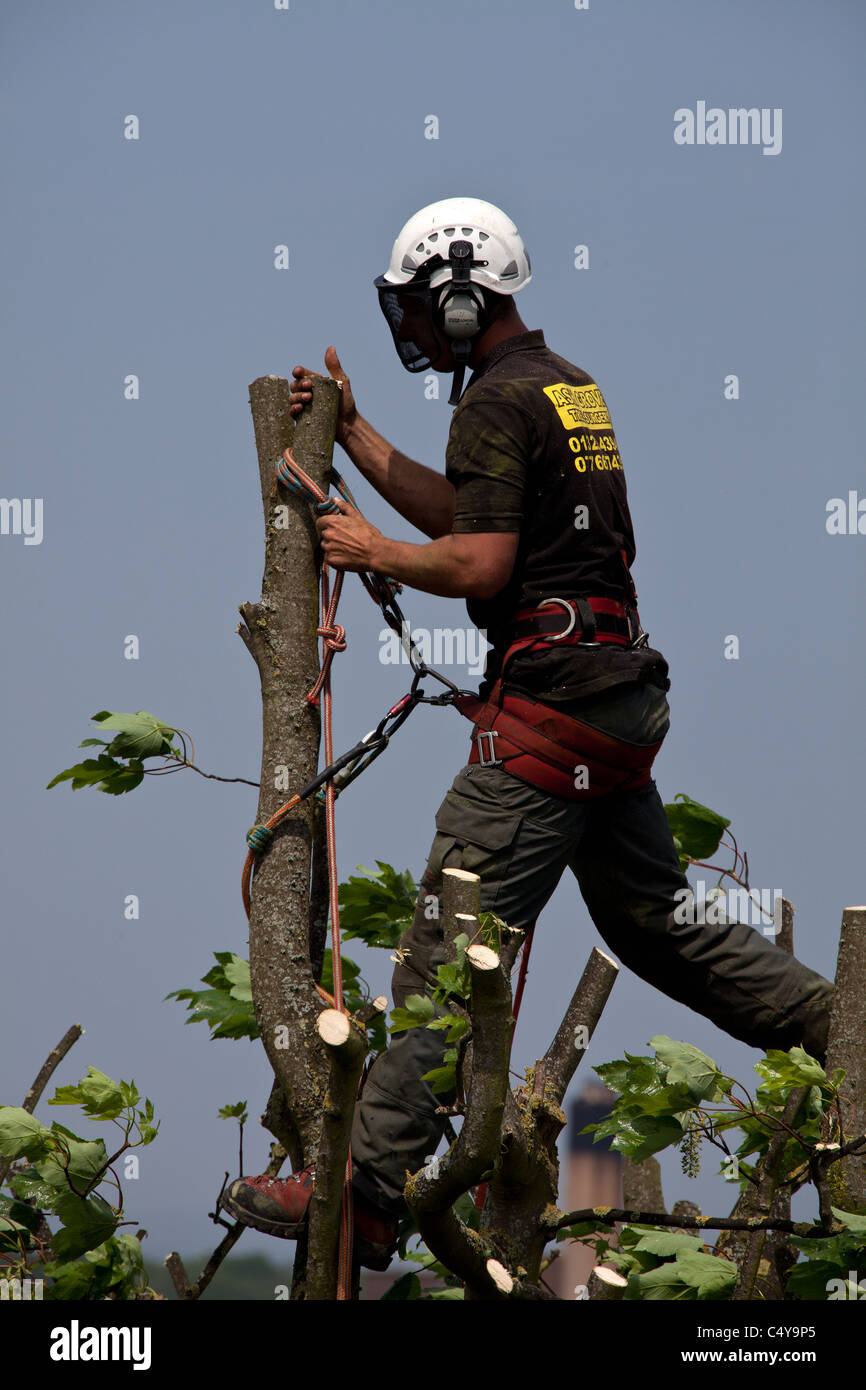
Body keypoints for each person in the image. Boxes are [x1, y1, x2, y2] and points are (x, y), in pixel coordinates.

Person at [224, 197, 834, 1270]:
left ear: (461, 299)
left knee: (442, 947)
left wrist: (367, 551)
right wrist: (357, 435)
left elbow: (477, 564)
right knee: (657, 926)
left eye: (419, 306)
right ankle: (844, 1032)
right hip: (610, 705)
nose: (411, 325)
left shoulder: (496, 404)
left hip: (549, 718)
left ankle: (363, 1190)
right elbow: (473, 513)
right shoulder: (561, 386)